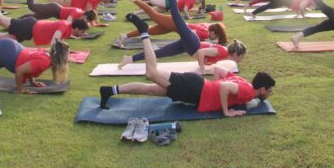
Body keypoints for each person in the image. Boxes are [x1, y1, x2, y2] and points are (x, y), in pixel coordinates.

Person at [98, 30, 275, 116]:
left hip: (197, 87)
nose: (270, 93)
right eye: (270, 91)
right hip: (194, 90)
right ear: (262, 89)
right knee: (152, 73)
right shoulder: (247, 92)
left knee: (150, 89)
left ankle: (110, 90)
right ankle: (145, 34)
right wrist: (227, 110)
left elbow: (220, 71)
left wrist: (213, 85)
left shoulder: (245, 83)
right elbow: (225, 87)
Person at [119, 0, 247, 74]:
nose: (242, 59)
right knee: (172, 12)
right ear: (236, 54)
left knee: (158, 53)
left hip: (188, 45)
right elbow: (202, 52)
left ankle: (129, 59)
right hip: (191, 42)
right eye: (242, 56)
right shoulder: (223, 52)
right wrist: (202, 68)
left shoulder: (225, 54)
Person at [0, 0, 90, 44]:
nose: (82, 34)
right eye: (82, 31)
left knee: (5, 37)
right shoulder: (65, 25)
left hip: (30, 32)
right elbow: (55, 41)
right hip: (29, 26)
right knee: (0, 19)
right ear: (77, 28)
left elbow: (61, 40)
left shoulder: (69, 30)